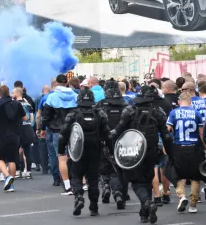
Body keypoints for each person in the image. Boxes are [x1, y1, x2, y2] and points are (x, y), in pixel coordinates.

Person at [111, 86, 174, 224]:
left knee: (135, 181)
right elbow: (166, 136)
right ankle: (144, 213)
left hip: (133, 150)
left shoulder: (129, 111)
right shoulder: (159, 112)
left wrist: (113, 148)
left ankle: (147, 202)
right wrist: (171, 154)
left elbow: (118, 131)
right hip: (151, 151)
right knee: (147, 179)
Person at [58, 88, 110, 216]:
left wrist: (61, 150)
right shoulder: (100, 114)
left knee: (76, 175)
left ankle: (79, 197)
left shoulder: (73, 114)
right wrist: (110, 148)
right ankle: (94, 206)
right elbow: (107, 134)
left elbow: (63, 134)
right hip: (95, 150)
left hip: (77, 150)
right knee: (93, 178)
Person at [0, 85, 27, 192]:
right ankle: (10, 185)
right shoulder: (17, 104)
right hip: (15, 135)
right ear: (9, 93)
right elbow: (25, 117)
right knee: (12, 160)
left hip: (2, 135)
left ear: (0, 93)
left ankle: (7, 177)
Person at [167, 92, 205, 213]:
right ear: (190, 102)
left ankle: (181, 195)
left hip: (178, 146)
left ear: (179, 102)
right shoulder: (197, 113)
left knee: (174, 172)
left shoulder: (173, 113)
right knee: (196, 175)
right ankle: (193, 203)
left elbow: (167, 130)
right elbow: (201, 133)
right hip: (194, 147)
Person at [40, 74, 78, 187]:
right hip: (73, 129)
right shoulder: (75, 96)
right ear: (67, 83)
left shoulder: (52, 97)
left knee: (60, 157)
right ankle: (73, 178)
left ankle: (63, 182)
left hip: (57, 130)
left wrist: (42, 128)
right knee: (73, 155)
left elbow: (46, 116)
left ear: (56, 83)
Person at [97, 81, 129, 209]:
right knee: (121, 168)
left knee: (106, 166)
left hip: (105, 140)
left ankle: (107, 186)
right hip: (123, 141)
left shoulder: (100, 105)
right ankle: (121, 193)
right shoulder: (126, 105)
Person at [12, 87, 35, 179]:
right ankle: (28, 171)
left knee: (16, 151)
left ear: (17, 93)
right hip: (28, 127)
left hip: (18, 128)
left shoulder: (14, 104)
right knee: (27, 151)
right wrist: (30, 125)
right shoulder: (28, 104)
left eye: (13, 92)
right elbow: (32, 117)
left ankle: (17, 171)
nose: (11, 94)